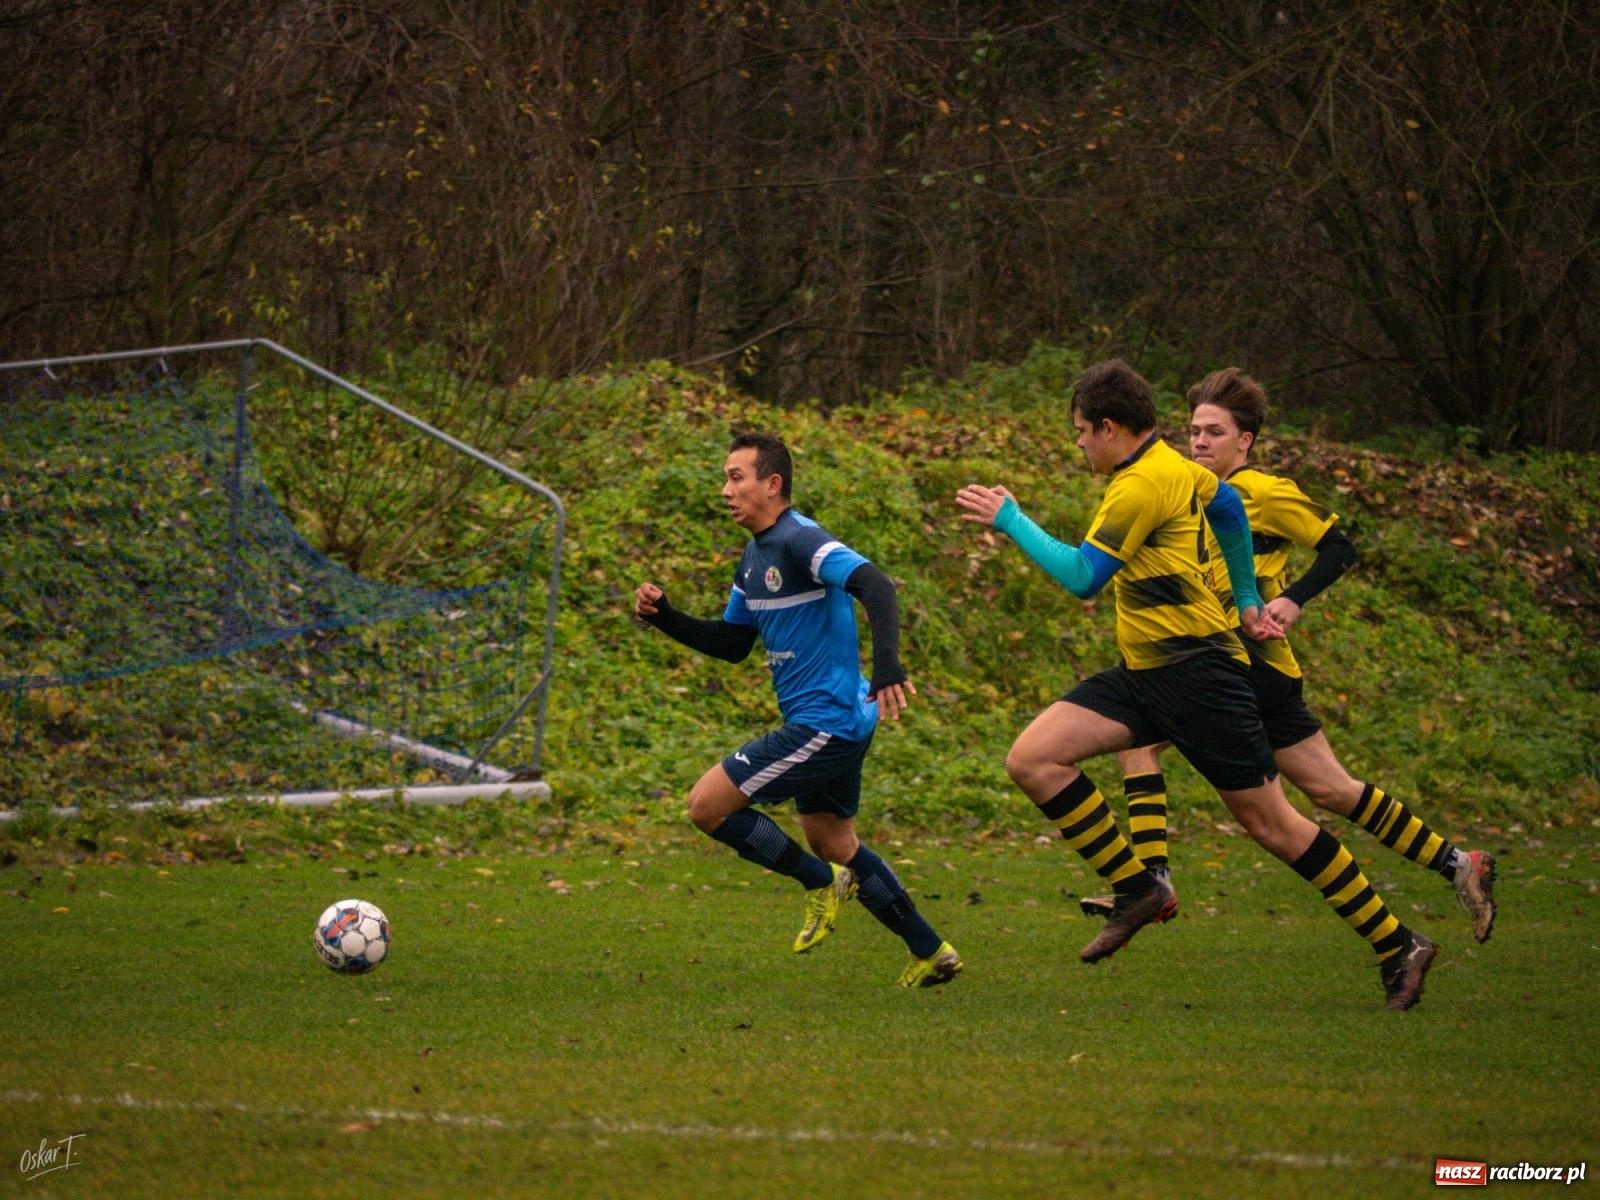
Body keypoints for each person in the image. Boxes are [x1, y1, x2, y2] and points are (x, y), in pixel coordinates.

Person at [956, 359, 1438, 1010]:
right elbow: (1231, 508)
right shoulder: (1177, 470)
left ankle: (1396, 940)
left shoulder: (1139, 486)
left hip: (1200, 677)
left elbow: (1081, 579)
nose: (1077, 445)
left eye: (1079, 432)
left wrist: (1012, 521)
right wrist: (1244, 596)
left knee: (1275, 826)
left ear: (1107, 426)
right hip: (1147, 673)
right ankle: (1139, 888)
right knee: (1033, 758)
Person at [1078, 367, 1496, 942]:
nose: (1199, 442)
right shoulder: (1183, 487)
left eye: (1214, 433)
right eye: (1194, 431)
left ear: (1245, 441)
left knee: (1298, 792)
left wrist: (1291, 601)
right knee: (1323, 788)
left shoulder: (1266, 493)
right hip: (1213, 659)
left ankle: (1153, 883)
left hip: (1253, 666)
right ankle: (1456, 865)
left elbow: (1338, 547)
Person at [634, 431, 962, 987]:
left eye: (736, 477)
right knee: (834, 840)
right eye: (726, 478)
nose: (726, 490)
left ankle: (817, 882)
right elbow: (733, 644)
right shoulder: (754, 556)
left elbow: (876, 585)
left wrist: (888, 666)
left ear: (773, 483)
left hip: (826, 723)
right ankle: (930, 950)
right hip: (840, 722)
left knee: (707, 806)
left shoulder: (800, 540)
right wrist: (666, 616)